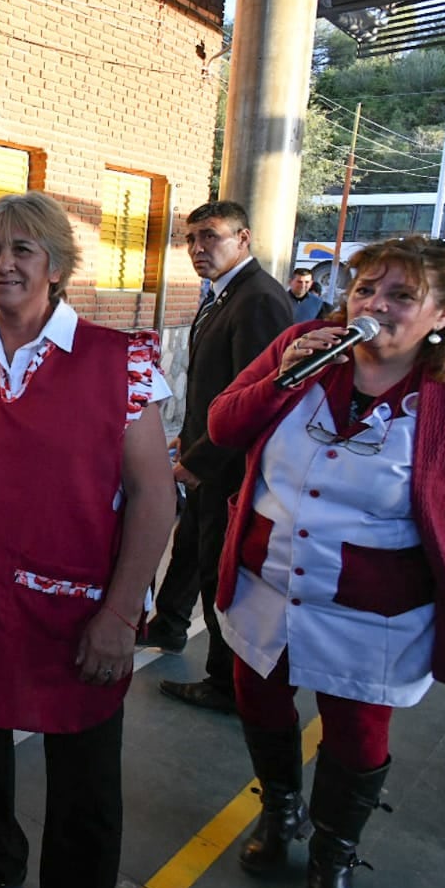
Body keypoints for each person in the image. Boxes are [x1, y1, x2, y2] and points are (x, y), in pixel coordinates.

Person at [206, 236, 445, 888]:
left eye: (401, 295)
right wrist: (283, 372)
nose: (375, 305)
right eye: (366, 288)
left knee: (357, 733)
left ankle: (333, 853)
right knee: (258, 698)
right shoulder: (312, 342)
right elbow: (223, 424)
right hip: (266, 585)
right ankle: (281, 810)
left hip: (374, 611)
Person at [0, 191, 176, 888]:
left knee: (85, 786)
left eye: (22, 249)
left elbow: (154, 496)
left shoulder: (121, 361)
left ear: (56, 264)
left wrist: (120, 615)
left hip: (77, 613)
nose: (4, 263)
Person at [148, 201, 291, 714]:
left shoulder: (258, 301)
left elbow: (257, 396)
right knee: (187, 547)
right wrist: (187, 439)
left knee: (216, 567)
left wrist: (203, 461)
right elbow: (216, 387)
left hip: (231, 468)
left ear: (243, 238)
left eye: (210, 237)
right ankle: (166, 625)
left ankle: (225, 682)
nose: (197, 249)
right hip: (208, 453)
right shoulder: (223, 295)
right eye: (190, 240)